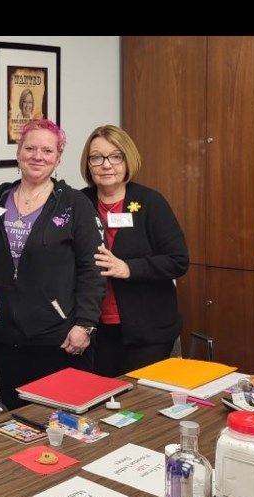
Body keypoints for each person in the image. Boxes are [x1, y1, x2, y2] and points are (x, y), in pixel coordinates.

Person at [0, 119, 105, 409]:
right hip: (3, 338)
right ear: (18, 153)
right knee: (13, 425)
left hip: (59, 339)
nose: (38, 156)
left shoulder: (75, 205)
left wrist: (85, 325)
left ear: (59, 157)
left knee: (61, 422)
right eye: (30, 148)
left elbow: (94, 268)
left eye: (48, 151)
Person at [80, 125, 189, 377]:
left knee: (140, 405)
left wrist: (129, 268)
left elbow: (178, 260)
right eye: (96, 157)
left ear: (128, 159)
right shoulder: (79, 203)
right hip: (95, 327)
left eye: (115, 156)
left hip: (147, 329)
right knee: (103, 403)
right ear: (88, 164)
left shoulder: (151, 202)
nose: (106, 164)